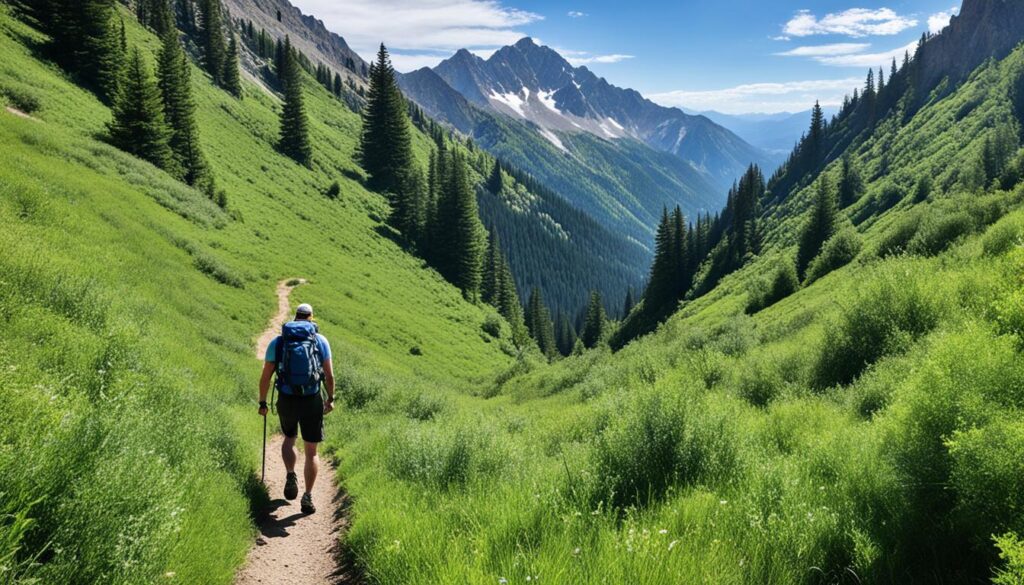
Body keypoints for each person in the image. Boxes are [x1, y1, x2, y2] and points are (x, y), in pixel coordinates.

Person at [258, 303, 335, 514]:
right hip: (311, 399)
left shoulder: (279, 342)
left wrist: (263, 403)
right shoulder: (320, 341)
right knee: (311, 451)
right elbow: (329, 375)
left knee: (289, 438)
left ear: (295, 317)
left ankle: (291, 474)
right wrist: (330, 398)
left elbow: (266, 376)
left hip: (287, 398)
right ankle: (308, 497)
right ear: (311, 318)